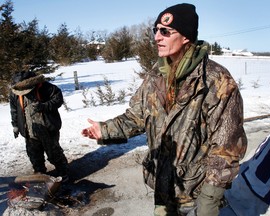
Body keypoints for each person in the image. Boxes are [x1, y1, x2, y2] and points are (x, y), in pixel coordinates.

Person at [82, 3, 247, 216]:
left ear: (186, 36)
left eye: (165, 31)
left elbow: (227, 146)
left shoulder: (215, 81)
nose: (156, 37)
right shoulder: (156, 75)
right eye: (156, 30)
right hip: (162, 185)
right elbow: (136, 116)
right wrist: (104, 130)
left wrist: (210, 198)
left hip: (194, 193)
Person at [10, 71, 69, 182]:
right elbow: (14, 110)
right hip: (29, 129)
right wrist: (15, 125)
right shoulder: (15, 92)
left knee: (54, 153)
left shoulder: (45, 87)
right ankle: (40, 173)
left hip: (47, 127)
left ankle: (63, 171)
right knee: (34, 154)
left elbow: (58, 99)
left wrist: (44, 106)